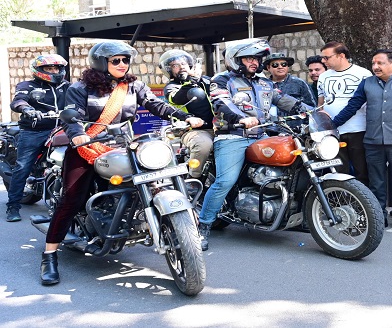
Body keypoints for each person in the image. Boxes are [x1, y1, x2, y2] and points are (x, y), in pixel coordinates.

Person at [40, 41, 204, 286]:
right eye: (116, 60)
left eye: (125, 60)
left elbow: (155, 104)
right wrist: (76, 133)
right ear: (101, 62)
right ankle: (49, 255)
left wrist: (185, 116)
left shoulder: (133, 85)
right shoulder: (80, 88)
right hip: (88, 145)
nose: (122, 64)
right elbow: (72, 114)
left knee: (158, 174)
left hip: (123, 144)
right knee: (71, 199)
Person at [199, 39, 309, 250]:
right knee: (225, 181)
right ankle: (203, 226)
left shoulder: (265, 82)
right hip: (233, 135)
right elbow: (221, 102)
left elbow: (284, 100)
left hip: (262, 135)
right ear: (235, 59)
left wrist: (310, 110)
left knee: (294, 163)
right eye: (249, 58)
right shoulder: (222, 80)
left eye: (257, 58)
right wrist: (241, 118)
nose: (254, 62)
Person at [332, 50, 392, 234]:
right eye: (373, 63)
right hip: (373, 141)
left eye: (380, 63)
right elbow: (352, 107)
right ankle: (379, 217)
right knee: (376, 183)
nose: (375, 67)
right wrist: (331, 125)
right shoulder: (367, 84)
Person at [6, 54, 69, 222]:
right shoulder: (28, 86)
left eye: (56, 68)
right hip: (34, 131)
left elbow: (80, 99)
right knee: (22, 167)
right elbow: (18, 100)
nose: (54, 71)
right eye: (49, 68)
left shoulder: (66, 86)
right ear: (39, 70)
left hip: (62, 131)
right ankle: (13, 207)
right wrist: (27, 109)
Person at [317, 41, 371, 186]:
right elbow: (320, 103)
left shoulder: (363, 74)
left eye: (327, 57)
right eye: (322, 58)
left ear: (341, 55)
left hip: (358, 129)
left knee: (362, 171)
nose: (323, 61)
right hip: (332, 132)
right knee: (338, 171)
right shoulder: (323, 77)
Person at [161, 49, 214, 182]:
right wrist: (191, 82)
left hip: (220, 127)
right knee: (203, 145)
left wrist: (199, 79)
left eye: (184, 63)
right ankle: (194, 179)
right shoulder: (171, 87)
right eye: (175, 65)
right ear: (169, 70)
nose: (181, 67)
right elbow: (176, 98)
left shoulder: (205, 81)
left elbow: (220, 90)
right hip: (192, 130)